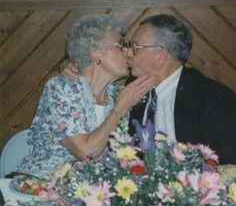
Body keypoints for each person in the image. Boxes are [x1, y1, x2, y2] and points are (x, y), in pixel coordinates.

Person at [62, 14, 236, 165]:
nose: (128, 53)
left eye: (135, 47)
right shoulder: (130, 90)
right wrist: (72, 65)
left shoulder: (211, 99)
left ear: (161, 54)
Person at [17, 14, 157, 177]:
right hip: (43, 187)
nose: (127, 51)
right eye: (120, 45)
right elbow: (85, 152)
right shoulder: (61, 88)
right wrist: (120, 109)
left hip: (92, 190)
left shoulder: (116, 93)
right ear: (95, 54)